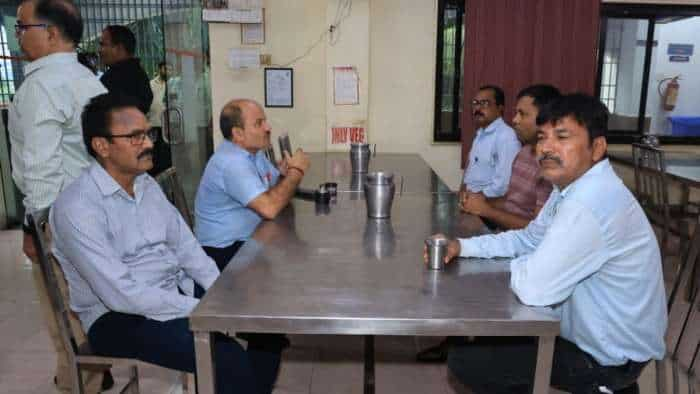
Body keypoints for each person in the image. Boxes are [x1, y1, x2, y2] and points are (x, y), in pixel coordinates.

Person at [427, 94, 667, 394]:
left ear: (597, 148)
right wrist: (463, 247)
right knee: (490, 339)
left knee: (470, 361)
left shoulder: (590, 203)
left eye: (562, 137)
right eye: (542, 137)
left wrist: (531, 263)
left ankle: (609, 387)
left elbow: (534, 289)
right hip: (594, 331)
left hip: (608, 355)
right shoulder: (569, 185)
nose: (547, 148)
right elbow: (530, 238)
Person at [50, 93, 283, 394]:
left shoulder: (144, 183)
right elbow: (122, 293)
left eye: (148, 133)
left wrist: (219, 293)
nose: (148, 144)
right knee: (226, 358)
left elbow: (187, 247)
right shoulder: (77, 208)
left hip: (171, 289)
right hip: (117, 317)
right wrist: (202, 308)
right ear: (101, 146)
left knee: (266, 326)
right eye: (135, 137)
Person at [8, 0, 108, 391]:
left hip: (60, 220)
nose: (18, 35)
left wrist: (36, 226)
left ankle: (77, 383)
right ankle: (95, 373)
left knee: (64, 312)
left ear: (50, 32)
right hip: (93, 212)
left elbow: (40, 167)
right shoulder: (86, 79)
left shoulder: (42, 87)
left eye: (22, 27)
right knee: (89, 303)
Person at [195, 98, 310, 270]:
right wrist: (296, 172)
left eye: (265, 121)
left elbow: (272, 189)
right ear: (238, 134)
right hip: (223, 252)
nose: (268, 128)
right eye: (259, 123)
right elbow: (270, 208)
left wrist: (284, 175)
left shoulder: (253, 153)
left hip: (249, 239)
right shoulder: (231, 163)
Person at [460, 84, 559, 230]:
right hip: (503, 232)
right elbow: (510, 201)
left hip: (520, 244)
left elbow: (539, 232)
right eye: (516, 113)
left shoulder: (551, 165)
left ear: (546, 118)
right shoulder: (524, 152)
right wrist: (476, 201)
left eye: (522, 114)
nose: (514, 120)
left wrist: (485, 210)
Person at [460, 85, 521, 200]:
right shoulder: (481, 133)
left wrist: (475, 199)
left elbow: (503, 185)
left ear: (500, 108)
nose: (478, 108)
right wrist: (462, 192)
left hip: (487, 206)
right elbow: (470, 171)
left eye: (485, 103)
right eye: (475, 103)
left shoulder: (506, 137)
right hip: (470, 200)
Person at [99, 25, 152, 114]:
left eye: (103, 45)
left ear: (119, 48)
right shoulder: (139, 75)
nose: (100, 50)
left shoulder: (113, 79)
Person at [146, 61, 173, 175]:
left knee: (167, 151)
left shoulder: (172, 84)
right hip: (155, 123)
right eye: (165, 69)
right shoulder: (152, 84)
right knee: (155, 150)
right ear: (160, 69)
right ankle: (156, 173)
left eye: (170, 69)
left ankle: (167, 172)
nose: (167, 72)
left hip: (169, 123)